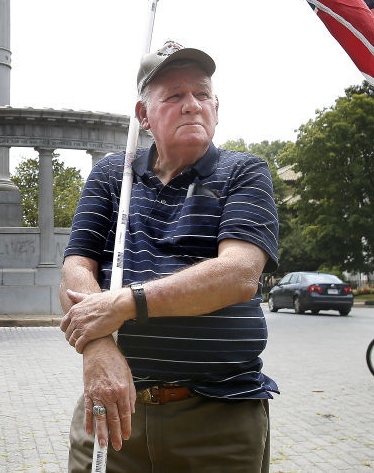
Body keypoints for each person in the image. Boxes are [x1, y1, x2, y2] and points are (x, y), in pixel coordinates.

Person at [59, 41, 280, 473]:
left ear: (217, 106)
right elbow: (76, 268)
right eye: (174, 96)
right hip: (113, 411)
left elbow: (237, 275)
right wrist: (97, 344)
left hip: (217, 420)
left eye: (201, 94)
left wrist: (121, 304)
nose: (191, 106)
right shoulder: (112, 174)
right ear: (143, 115)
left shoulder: (244, 172)